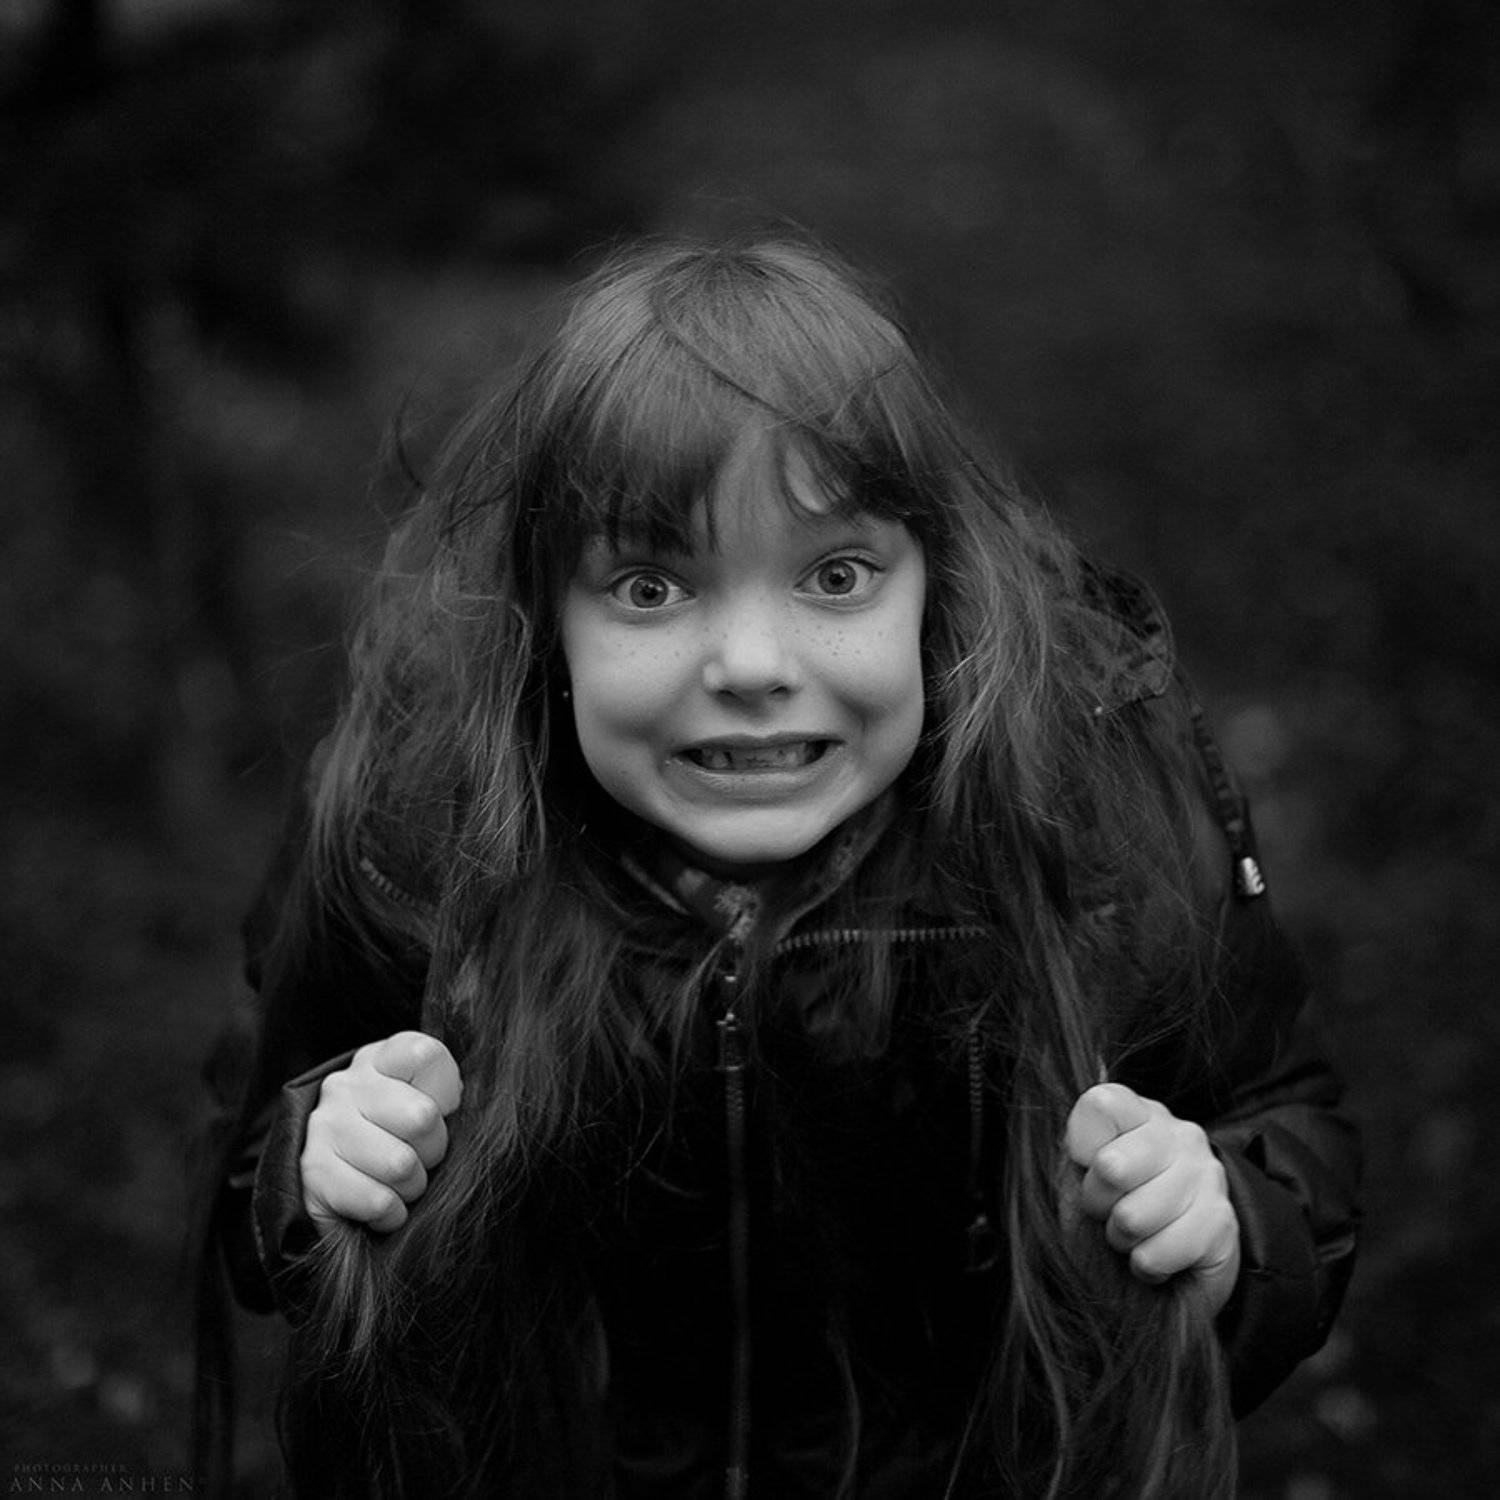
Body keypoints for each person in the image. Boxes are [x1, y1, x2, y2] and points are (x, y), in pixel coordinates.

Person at [196, 237, 1360, 1499]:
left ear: (935, 590)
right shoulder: (424, 845)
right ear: (548, 624)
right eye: (650, 585)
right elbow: (253, 1170)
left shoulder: (1087, 839)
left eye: (837, 575)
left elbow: (1286, 1118)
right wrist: (320, 1162)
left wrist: (1227, 1222)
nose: (751, 662)